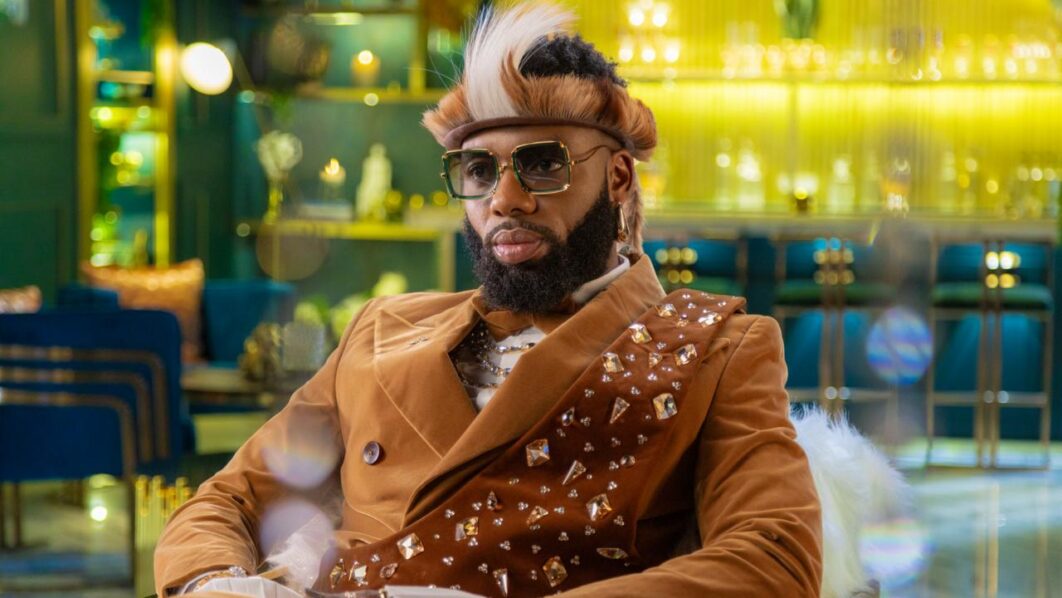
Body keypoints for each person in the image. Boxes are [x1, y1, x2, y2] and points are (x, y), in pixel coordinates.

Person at [155, 3, 822, 596]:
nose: (504, 199)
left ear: (618, 177)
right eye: (479, 169)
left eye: (542, 163)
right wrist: (213, 583)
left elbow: (772, 560)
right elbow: (231, 500)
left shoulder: (717, 347)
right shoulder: (382, 327)